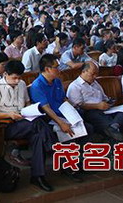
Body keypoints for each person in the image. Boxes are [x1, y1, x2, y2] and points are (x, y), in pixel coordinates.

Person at [0, 60, 56, 191]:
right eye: (14, 78)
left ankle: (38, 176)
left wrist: (32, 110)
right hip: (7, 125)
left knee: (38, 136)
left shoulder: (22, 84)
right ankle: (51, 146)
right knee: (38, 125)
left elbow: (27, 103)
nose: (17, 81)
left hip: (25, 121)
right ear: (5, 74)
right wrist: (9, 115)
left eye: (19, 77)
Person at [29, 54, 87, 182]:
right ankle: (68, 168)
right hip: (48, 119)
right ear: (47, 69)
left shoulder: (57, 81)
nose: (59, 69)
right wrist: (61, 123)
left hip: (63, 114)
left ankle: (79, 163)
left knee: (88, 128)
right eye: (56, 67)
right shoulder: (37, 85)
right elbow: (46, 109)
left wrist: (73, 113)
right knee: (67, 133)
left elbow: (63, 99)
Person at [66, 62, 123, 141]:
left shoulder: (95, 83)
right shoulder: (74, 86)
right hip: (89, 111)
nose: (95, 76)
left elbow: (104, 97)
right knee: (98, 117)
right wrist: (97, 106)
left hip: (104, 108)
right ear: (83, 71)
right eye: (93, 74)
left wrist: (109, 101)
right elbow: (78, 106)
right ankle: (114, 129)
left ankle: (113, 127)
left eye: (96, 74)